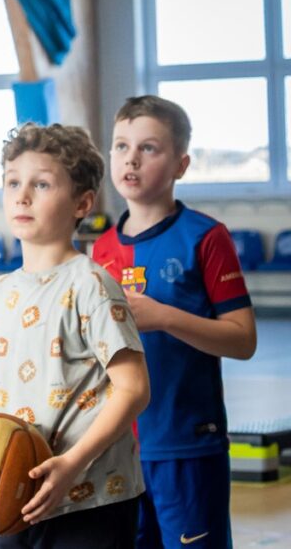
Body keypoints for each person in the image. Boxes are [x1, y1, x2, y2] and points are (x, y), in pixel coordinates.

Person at [0, 123, 150, 549]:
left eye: (42, 184)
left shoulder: (91, 285)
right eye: (13, 182)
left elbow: (134, 388)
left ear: (82, 203)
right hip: (17, 492)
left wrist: (71, 463)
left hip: (93, 495)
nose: (22, 195)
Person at [93, 96, 256, 549]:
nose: (131, 157)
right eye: (121, 146)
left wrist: (163, 317)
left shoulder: (205, 237)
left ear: (180, 164)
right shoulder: (100, 250)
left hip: (187, 446)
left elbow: (243, 341)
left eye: (149, 148)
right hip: (120, 451)